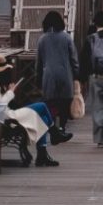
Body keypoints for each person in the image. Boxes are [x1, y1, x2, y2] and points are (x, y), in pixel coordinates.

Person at [0, 54, 55, 167]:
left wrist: (7, 90)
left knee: (41, 116)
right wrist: (11, 92)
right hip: (3, 117)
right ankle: (54, 131)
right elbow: (0, 104)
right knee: (42, 106)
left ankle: (42, 154)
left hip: (1, 116)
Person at [35, 10, 81, 146]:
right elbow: (74, 58)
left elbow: (39, 61)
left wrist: (38, 77)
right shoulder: (66, 38)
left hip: (48, 75)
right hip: (65, 74)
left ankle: (53, 128)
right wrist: (77, 74)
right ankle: (62, 128)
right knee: (65, 102)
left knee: (51, 103)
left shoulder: (42, 39)